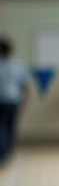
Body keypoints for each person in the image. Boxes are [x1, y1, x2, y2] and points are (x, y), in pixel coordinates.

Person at [0, 37, 31, 166]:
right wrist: (24, 103)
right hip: (13, 100)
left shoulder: (17, 65)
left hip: (5, 100)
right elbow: (25, 86)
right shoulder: (18, 65)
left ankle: (4, 153)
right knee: (9, 128)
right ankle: (6, 153)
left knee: (3, 128)